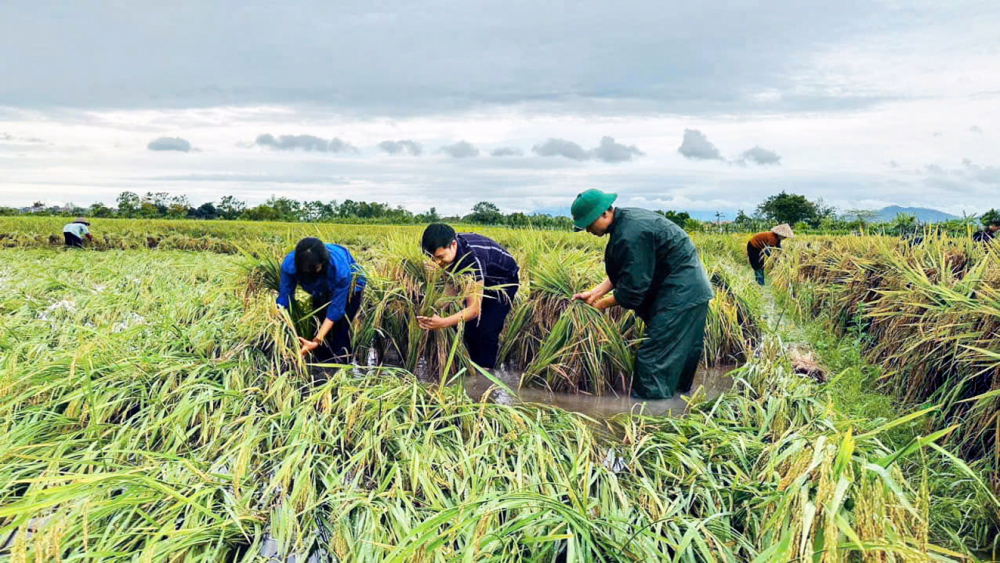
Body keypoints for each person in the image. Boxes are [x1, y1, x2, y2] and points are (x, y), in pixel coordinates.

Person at [570, 190, 714, 400]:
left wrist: (600, 305)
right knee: (679, 354)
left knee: (654, 358)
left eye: (589, 223)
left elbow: (632, 290)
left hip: (680, 294)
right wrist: (594, 293)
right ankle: (678, 408)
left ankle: (649, 418)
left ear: (604, 213)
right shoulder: (627, 223)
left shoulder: (631, 233)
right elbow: (629, 271)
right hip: (687, 292)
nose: (588, 230)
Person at [417, 223, 520, 371]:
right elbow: (451, 287)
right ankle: (471, 367)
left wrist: (443, 322)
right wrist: (434, 309)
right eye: (433, 259)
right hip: (479, 279)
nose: (438, 263)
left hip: (502, 282)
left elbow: (474, 310)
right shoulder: (450, 255)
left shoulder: (471, 260)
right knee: (470, 328)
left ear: (453, 245)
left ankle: (485, 376)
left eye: (440, 257)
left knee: (486, 328)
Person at [276, 237, 366, 363]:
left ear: (323, 263)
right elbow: (285, 297)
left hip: (351, 289)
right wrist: (277, 326)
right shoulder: (290, 265)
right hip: (320, 289)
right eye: (305, 270)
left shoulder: (340, 271)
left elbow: (336, 309)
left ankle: (341, 365)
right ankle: (319, 361)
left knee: (341, 330)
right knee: (318, 320)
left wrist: (317, 341)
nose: (309, 272)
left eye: (314, 268)